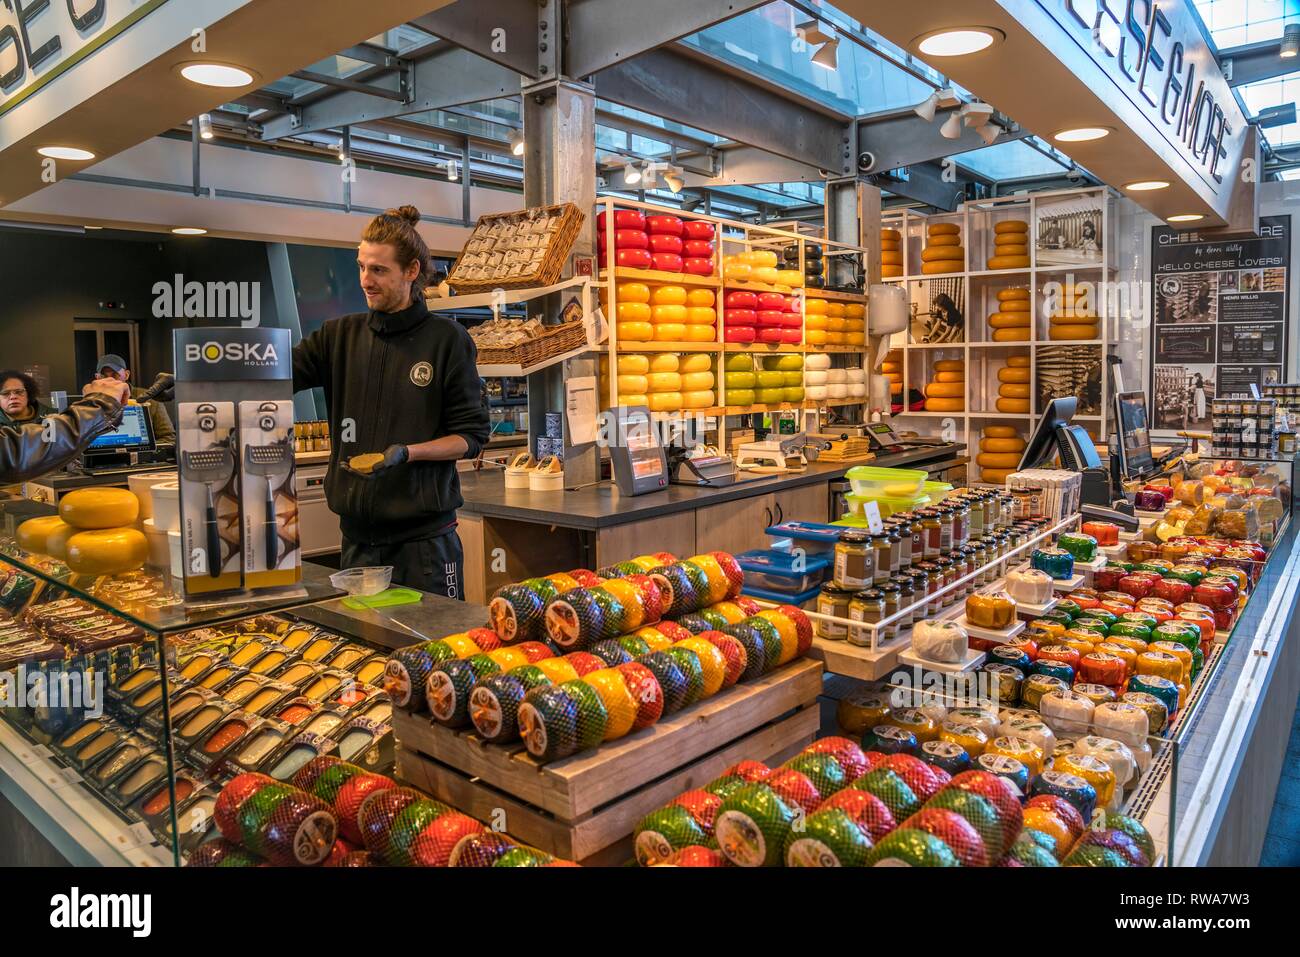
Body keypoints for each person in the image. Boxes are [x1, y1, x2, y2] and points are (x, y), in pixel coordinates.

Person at [292, 205, 489, 599]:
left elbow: (470, 437)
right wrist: (200, 376)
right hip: (357, 546)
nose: (366, 280)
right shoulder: (338, 337)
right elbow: (274, 372)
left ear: (411, 271)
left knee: (434, 650)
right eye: (362, 266)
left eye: (379, 270)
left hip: (425, 546)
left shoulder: (446, 341)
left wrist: (407, 453)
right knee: (369, 653)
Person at [0, 377, 130, 483]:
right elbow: (12, 456)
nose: (13, 397)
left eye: (19, 392)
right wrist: (100, 404)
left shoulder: (47, 413)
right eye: (5, 393)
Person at [93, 354, 176, 444]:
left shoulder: (150, 399)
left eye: (115, 374)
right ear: (97, 378)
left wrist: (142, 449)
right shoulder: (90, 405)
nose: (109, 380)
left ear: (126, 375)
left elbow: (169, 438)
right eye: (104, 376)